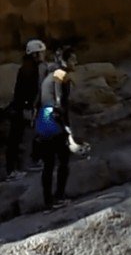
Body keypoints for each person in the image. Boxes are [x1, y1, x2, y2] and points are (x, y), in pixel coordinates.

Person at [35, 46, 78, 208]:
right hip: (55, 118)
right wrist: (67, 127)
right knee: (64, 160)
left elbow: (40, 100)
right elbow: (61, 101)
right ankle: (59, 196)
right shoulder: (61, 74)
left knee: (48, 164)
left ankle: (48, 203)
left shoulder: (48, 76)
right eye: (73, 59)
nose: (76, 62)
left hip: (43, 118)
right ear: (64, 61)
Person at [4, 38, 47, 180]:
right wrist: (27, 107)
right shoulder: (28, 71)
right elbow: (24, 91)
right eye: (40, 53)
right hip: (21, 108)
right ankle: (11, 171)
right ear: (34, 54)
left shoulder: (33, 68)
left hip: (25, 107)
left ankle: (30, 162)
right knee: (15, 139)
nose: (43, 55)